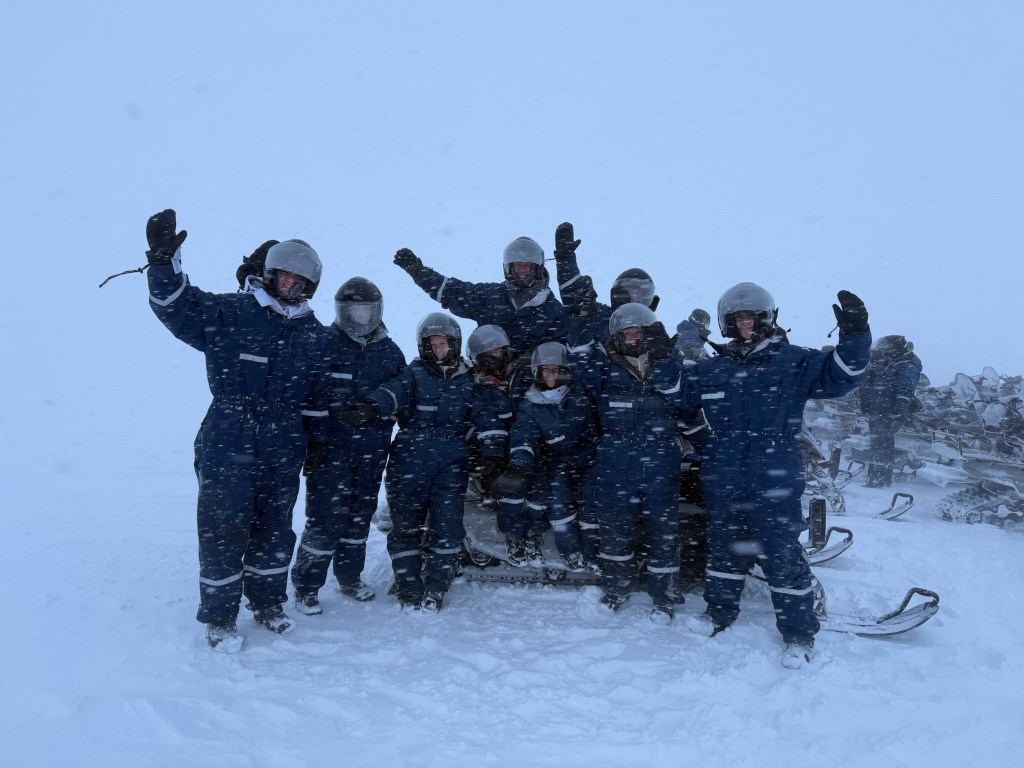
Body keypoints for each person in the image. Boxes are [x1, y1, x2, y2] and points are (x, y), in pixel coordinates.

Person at [653, 282, 871, 667]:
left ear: (767, 319)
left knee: (780, 550)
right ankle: (718, 614)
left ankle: (798, 633)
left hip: (773, 464)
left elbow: (843, 375)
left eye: (751, 318)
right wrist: (662, 358)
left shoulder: (795, 362)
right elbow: (678, 393)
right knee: (724, 546)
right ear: (726, 324)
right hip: (722, 464)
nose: (744, 325)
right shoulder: (713, 368)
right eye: (737, 320)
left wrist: (854, 333)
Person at [143, 209, 331, 653]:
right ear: (269, 275)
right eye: (285, 277)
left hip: (285, 442)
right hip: (230, 433)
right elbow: (175, 307)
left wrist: (318, 442)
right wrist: (163, 263)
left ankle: (267, 604)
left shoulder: (313, 335)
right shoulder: (231, 312)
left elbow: (319, 398)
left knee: (275, 528)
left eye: (300, 281)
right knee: (223, 526)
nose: (292, 285)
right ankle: (221, 615)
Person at [338, 313, 503, 612]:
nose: (439, 349)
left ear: (454, 344)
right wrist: (370, 406)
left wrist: (492, 452)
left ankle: (438, 584)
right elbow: (391, 393)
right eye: (433, 344)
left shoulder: (468, 380)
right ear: (424, 346)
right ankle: (408, 585)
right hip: (408, 457)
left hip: (451, 460)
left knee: (449, 527)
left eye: (444, 344)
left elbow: (486, 416)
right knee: (406, 528)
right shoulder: (413, 375)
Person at [290, 277, 407, 615]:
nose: (359, 317)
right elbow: (306, 397)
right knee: (325, 519)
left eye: (365, 310)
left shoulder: (390, 352)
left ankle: (349, 577)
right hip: (330, 452)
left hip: (372, 452)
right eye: (352, 310)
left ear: (377, 311)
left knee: (359, 517)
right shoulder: (323, 344)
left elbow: (404, 391)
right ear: (341, 311)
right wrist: (311, 443)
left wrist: (376, 406)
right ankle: (307, 586)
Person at [567, 302, 683, 624]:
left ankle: (664, 598)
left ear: (648, 333)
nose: (632, 336)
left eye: (638, 330)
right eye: (626, 331)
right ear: (616, 336)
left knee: (663, 533)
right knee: (615, 530)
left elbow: (686, 398)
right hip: (616, 461)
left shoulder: (670, 364)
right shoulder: (604, 371)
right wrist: (581, 315)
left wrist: (666, 360)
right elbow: (577, 353)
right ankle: (616, 589)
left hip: (660, 461)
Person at [492, 342, 600, 571]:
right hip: (559, 459)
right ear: (537, 372)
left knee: (591, 502)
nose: (551, 375)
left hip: (590, 456)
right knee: (560, 501)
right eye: (545, 370)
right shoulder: (531, 404)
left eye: (556, 369)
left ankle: (593, 553)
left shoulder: (580, 394)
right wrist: (518, 466)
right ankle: (570, 551)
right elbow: (524, 436)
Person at [392, 239, 570, 357]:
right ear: (508, 268)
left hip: (529, 385)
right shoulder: (490, 296)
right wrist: (418, 271)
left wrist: (522, 364)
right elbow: (451, 291)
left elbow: (557, 353)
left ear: (537, 268)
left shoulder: (552, 309)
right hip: (485, 376)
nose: (521, 271)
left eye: (527, 266)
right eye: (517, 266)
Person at [858, 335, 923, 488]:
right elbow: (870, 379)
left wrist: (898, 412)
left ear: (896, 349)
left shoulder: (907, 366)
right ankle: (875, 477)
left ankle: (879, 479)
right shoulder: (891, 362)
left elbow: (904, 392)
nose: (883, 352)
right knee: (877, 444)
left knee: (883, 445)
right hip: (878, 409)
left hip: (889, 412)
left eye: (886, 349)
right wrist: (870, 369)